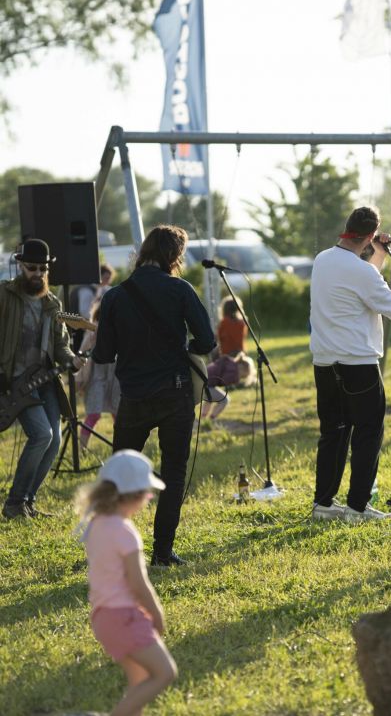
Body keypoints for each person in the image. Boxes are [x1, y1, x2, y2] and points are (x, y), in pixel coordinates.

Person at [93, 226, 216, 566]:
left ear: (143, 252)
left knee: (119, 473)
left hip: (133, 397)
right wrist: (184, 348)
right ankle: (162, 553)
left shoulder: (115, 296)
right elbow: (207, 341)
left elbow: (103, 354)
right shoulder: (180, 290)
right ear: (175, 256)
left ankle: (113, 549)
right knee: (173, 472)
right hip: (175, 393)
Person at [309, 206, 391, 523]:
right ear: (369, 234)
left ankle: (323, 504)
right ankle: (357, 507)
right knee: (368, 433)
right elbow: (388, 301)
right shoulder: (361, 272)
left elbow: (365, 281)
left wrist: (377, 252)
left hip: (326, 362)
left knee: (333, 433)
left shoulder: (323, 260)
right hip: (358, 364)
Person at [76, 450, 177, 716]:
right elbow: (139, 583)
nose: (149, 498)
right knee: (165, 672)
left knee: (141, 680)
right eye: (147, 493)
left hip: (103, 617)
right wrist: (156, 614)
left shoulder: (96, 524)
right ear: (133, 494)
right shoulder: (124, 532)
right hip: (124, 617)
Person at [1, 239, 85, 519]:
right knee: (41, 435)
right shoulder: (4, 296)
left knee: (54, 442)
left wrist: (72, 359)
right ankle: (14, 503)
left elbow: (60, 345)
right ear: (20, 266)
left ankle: (27, 501)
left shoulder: (53, 302)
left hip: (45, 381)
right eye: (31, 267)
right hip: (13, 382)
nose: (37, 273)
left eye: (42, 268)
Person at [76, 298, 121, 450]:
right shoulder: (92, 327)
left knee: (119, 415)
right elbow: (83, 352)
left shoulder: (122, 326)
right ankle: (82, 448)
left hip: (116, 377)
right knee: (93, 414)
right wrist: (92, 339)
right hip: (97, 377)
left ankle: (121, 449)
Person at [199, 351, 255, 425]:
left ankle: (203, 419)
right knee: (225, 400)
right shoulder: (234, 371)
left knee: (210, 398)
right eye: (244, 375)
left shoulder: (229, 363)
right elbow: (224, 380)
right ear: (243, 368)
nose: (243, 377)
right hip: (206, 385)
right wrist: (236, 380)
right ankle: (212, 419)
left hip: (202, 380)